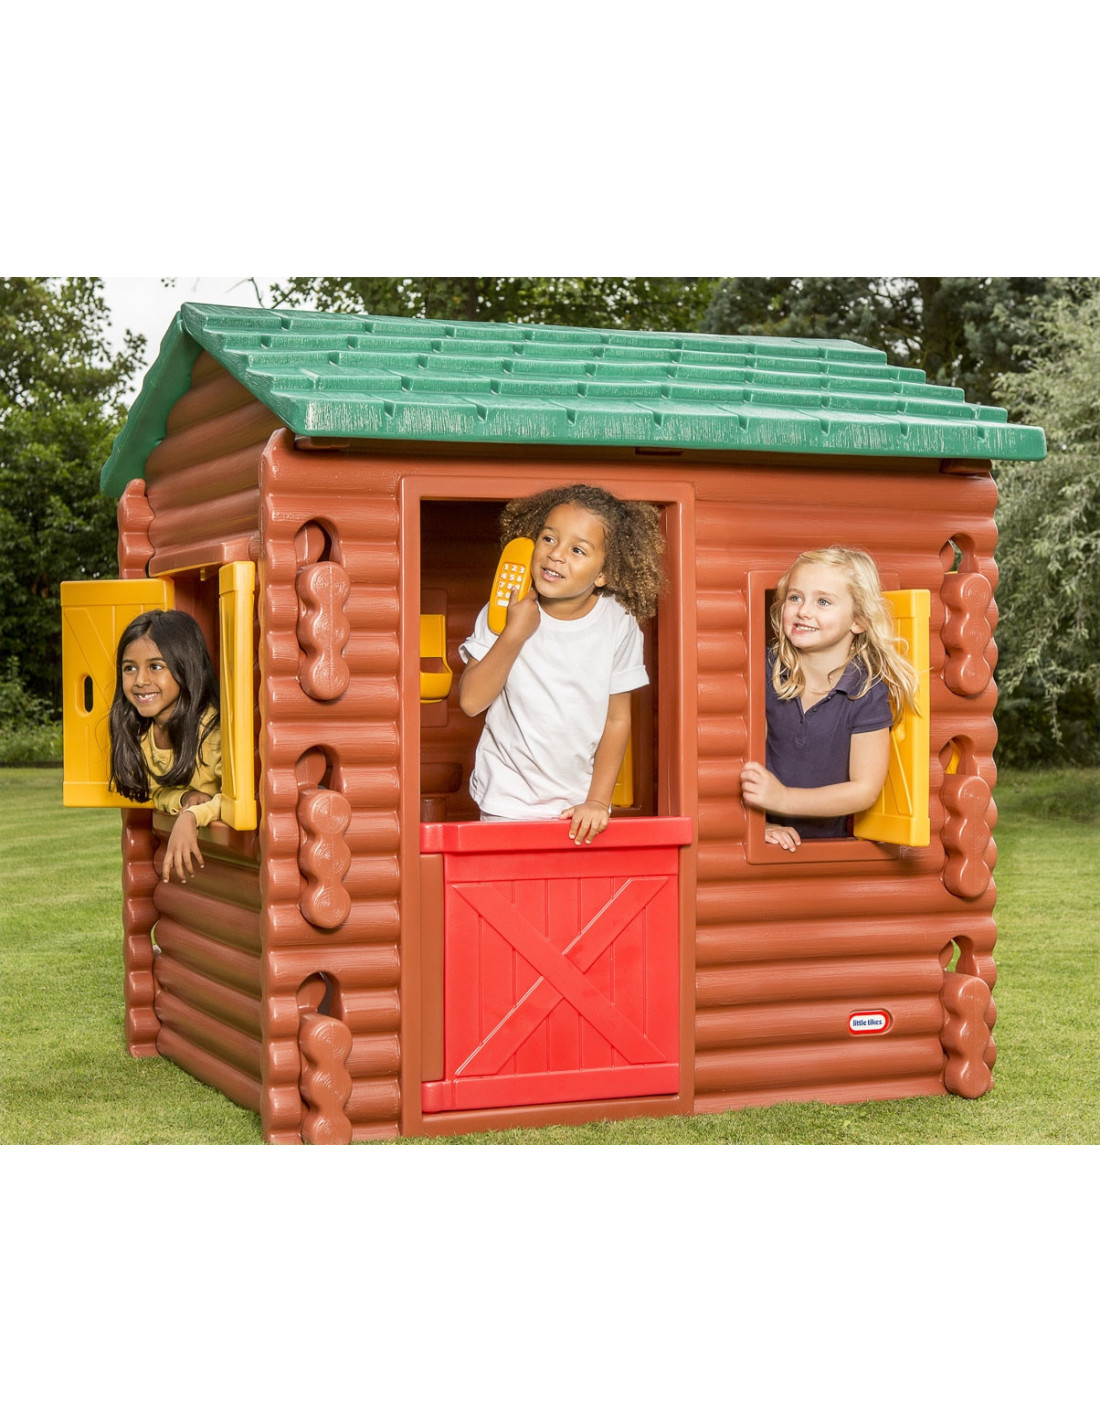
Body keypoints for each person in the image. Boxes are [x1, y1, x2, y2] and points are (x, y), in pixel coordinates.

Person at [459, 484, 663, 845]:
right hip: (507, 800)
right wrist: (514, 633)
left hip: (578, 807)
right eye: (549, 538)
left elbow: (617, 720)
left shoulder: (619, 622)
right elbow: (471, 701)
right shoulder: (502, 610)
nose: (555, 555)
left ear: (603, 573)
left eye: (577, 549)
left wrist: (597, 801)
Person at [741, 546, 920, 853]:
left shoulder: (866, 691)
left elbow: (864, 789)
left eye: (823, 601)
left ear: (859, 620)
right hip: (759, 835)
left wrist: (785, 799)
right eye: (795, 598)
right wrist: (759, 825)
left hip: (827, 848)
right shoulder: (765, 669)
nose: (803, 611)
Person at [108, 609, 222, 884]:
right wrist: (184, 799)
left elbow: (241, 799)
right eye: (129, 668)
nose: (140, 680)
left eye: (156, 666)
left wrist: (191, 816)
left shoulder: (214, 731)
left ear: (185, 667)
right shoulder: (141, 735)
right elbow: (156, 792)